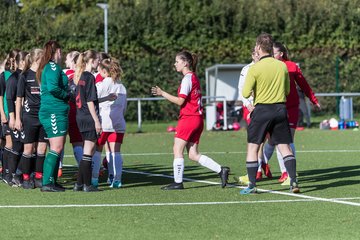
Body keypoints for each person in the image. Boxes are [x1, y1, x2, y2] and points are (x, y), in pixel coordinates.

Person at [151, 50, 230, 190]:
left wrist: (162, 93)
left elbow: (181, 101)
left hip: (189, 119)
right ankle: (221, 170)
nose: (175, 64)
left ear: (185, 63)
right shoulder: (194, 77)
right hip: (198, 119)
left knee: (177, 149)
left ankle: (178, 182)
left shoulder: (187, 78)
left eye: (177, 61)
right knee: (193, 154)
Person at [240, 33, 299, 194]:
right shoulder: (282, 66)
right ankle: (293, 180)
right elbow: (287, 91)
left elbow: (245, 93)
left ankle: (252, 184)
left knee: (253, 147)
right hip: (280, 110)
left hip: (262, 110)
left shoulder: (254, 68)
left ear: (258, 48)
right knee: (285, 147)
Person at [262, 42, 321, 184]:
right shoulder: (269, 67)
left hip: (292, 107)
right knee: (275, 140)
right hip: (275, 107)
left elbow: (303, 84)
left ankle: (288, 173)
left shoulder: (292, 66)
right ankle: (264, 166)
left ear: (281, 54)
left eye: (274, 53)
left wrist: (314, 100)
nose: (272, 55)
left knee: (286, 140)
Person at [37, 40, 69, 192]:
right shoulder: (52, 66)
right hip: (53, 111)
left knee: (58, 147)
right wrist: (66, 95)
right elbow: (52, 88)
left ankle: (52, 181)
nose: (62, 55)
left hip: (57, 110)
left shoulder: (53, 67)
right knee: (56, 147)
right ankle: (47, 183)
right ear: (57, 52)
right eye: (61, 52)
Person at [236, 49, 272, 183]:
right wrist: (247, 104)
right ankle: (257, 170)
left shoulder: (267, 66)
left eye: (259, 54)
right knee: (256, 140)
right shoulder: (247, 69)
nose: (258, 56)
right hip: (251, 108)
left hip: (265, 106)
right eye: (256, 54)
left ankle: (263, 162)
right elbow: (241, 89)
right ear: (252, 55)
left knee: (270, 139)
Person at [91, 58, 127, 188]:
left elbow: (93, 100)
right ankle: (117, 180)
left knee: (97, 150)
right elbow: (124, 108)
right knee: (115, 151)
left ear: (104, 71)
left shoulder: (102, 84)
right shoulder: (121, 86)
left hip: (103, 123)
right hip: (118, 123)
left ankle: (94, 179)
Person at [15, 48, 47, 189]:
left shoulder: (44, 74)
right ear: (36, 59)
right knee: (28, 149)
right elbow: (19, 98)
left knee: (42, 148)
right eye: (43, 58)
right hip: (29, 117)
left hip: (43, 117)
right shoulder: (25, 75)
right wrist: (17, 118)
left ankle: (38, 176)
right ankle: (25, 177)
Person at [73, 50, 102, 192]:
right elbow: (90, 101)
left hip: (80, 116)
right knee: (88, 151)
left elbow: (85, 99)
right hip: (88, 117)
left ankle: (79, 184)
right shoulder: (90, 77)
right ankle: (87, 184)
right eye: (97, 60)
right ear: (91, 61)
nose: (99, 62)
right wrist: (96, 121)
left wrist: (105, 98)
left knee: (87, 150)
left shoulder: (81, 77)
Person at [6, 51, 27, 187]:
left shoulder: (26, 75)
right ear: (21, 62)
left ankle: (22, 174)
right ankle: (12, 175)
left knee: (26, 146)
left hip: (26, 116)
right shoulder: (14, 77)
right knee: (17, 146)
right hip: (17, 117)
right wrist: (12, 117)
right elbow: (9, 98)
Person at [0, 49, 19, 184]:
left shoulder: (20, 75)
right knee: (9, 143)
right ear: (11, 59)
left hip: (18, 115)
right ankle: (6, 173)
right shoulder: (4, 75)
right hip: (7, 114)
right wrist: (2, 114)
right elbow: (0, 97)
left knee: (16, 145)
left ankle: (14, 172)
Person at [63, 51, 83, 169]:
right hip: (81, 111)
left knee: (58, 141)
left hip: (68, 110)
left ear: (72, 61)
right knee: (79, 142)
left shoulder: (66, 73)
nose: (65, 61)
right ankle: (85, 169)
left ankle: (58, 167)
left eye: (67, 59)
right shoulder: (85, 74)